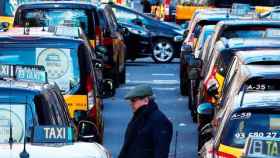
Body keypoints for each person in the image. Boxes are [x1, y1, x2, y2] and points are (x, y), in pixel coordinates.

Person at [118, 84, 173, 158]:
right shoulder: (137, 118)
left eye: (133, 100)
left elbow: (161, 153)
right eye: (130, 101)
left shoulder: (160, 121)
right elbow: (126, 147)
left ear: (146, 100)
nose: (130, 104)